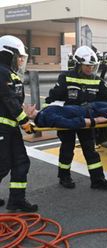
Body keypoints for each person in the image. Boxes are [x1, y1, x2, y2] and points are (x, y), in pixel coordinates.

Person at [45, 45, 107, 190]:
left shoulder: (97, 81)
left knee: (90, 149)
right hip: (68, 118)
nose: (90, 69)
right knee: (67, 147)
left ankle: (98, 180)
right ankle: (64, 177)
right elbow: (53, 97)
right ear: (78, 64)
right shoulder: (65, 77)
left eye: (92, 66)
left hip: (86, 118)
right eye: (87, 66)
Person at [0, 35, 38, 212]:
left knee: (21, 162)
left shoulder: (9, 73)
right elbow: (8, 100)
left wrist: (24, 112)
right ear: (7, 54)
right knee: (2, 165)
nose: (21, 60)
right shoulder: (1, 72)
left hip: (10, 127)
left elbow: (13, 101)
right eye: (18, 57)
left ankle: (17, 199)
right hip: (2, 127)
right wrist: (25, 122)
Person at [24, 101, 107, 129]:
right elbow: (70, 123)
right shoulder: (47, 117)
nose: (27, 105)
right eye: (25, 108)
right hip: (94, 113)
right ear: (29, 114)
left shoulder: (43, 113)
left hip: (92, 106)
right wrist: (96, 120)